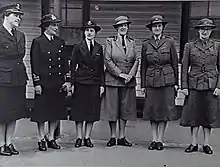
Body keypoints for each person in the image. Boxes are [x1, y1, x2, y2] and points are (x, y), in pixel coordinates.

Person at [30, 14, 71, 151]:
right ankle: (41, 138)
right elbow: (34, 64)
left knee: (55, 112)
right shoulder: (38, 41)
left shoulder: (60, 42)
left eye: (56, 25)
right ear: (46, 27)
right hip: (43, 83)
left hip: (58, 82)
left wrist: (68, 81)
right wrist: (37, 83)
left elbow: (65, 63)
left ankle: (51, 138)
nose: (56, 27)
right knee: (42, 113)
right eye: (53, 25)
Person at [180, 18, 220, 154]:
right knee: (194, 115)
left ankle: (206, 144)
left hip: (211, 85)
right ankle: (193, 143)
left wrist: (219, 87)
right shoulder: (189, 46)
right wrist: (184, 86)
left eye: (207, 29)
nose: (205, 31)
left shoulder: (217, 46)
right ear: (198, 31)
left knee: (209, 115)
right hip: (194, 85)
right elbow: (185, 67)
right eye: (202, 29)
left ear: (211, 31)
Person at [140, 15, 179, 151]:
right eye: (154, 26)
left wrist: (176, 83)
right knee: (152, 110)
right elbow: (143, 65)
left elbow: (174, 63)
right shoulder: (146, 44)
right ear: (151, 29)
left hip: (167, 80)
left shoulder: (170, 42)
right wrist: (143, 85)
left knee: (164, 111)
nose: (157, 28)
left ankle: (160, 140)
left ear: (162, 28)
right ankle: (154, 139)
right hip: (151, 80)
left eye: (159, 26)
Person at [101, 16, 139, 147]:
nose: (123, 28)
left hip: (128, 81)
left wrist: (130, 75)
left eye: (125, 25)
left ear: (128, 28)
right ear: (116, 28)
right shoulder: (110, 41)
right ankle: (112, 137)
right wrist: (120, 74)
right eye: (120, 26)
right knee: (112, 109)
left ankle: (122, 136)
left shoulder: (132, 42)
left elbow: (136, 60)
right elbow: (107, 60)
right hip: (113, 80)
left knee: (125, 109)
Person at [70, 20, 104, 148]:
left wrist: (102, 84)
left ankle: (87, 137)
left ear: (95, 33)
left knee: (91, 111)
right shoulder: (78, 46)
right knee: (79, 111)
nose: (89, 33)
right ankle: (79, 137)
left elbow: (101, 67)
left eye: (92, 31)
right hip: (81, 82)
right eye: (87, 30)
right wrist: (72, 83)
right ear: (84, 33)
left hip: (94, 82)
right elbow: (72, 66)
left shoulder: (99, 47)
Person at [0, 4, 28, 156]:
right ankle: (1, 144)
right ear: (5, 15)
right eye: (15, 15)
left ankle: (9, 142)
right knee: (2, 112)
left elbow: (20, 54)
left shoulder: (21, 35)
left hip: (18, 77)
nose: (19, 18)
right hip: (3, 78)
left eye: (20, 16)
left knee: (14, 112)